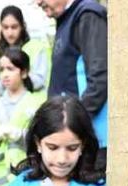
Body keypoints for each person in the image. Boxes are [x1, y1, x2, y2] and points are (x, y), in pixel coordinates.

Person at [38, 0, 108, 153]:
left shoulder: (87, 15)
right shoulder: (67, 19)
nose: (38, 2)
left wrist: (75, 123)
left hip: (90, 138)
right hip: (72, 137)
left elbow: (100, 77)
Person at [0, 47, 46, 186]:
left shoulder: (36, 102)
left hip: (29, 170)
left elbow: (44, 138)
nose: (5, 74)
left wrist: (21, 135)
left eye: (10, 69)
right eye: (2, 69)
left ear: (24, 72)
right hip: (0, 177)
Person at [0, 5, 51, 94]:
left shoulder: (35, 47)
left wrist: (16, 79)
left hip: (35, 102)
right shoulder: (1, 51)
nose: (9, 33)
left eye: (14, 27)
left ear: (22, 26)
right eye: (5, 27)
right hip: (10, 104)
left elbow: (39, 81)